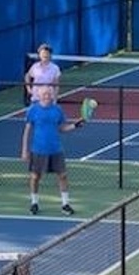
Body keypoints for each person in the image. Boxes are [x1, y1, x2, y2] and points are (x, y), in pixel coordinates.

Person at [20, 87, 82, 216]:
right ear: (39, 95)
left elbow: (62, 128)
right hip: (38, 150)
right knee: (35, 177)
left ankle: (65, 205)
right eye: (44, 94)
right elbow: (27, 131)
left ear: (52, 95)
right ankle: (34, 203)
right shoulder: (33, 110)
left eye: (49, 94)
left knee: (63, 176)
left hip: (56, 149)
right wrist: (24, 150)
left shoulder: (57, 110)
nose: (47, 96)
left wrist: (75, 125)